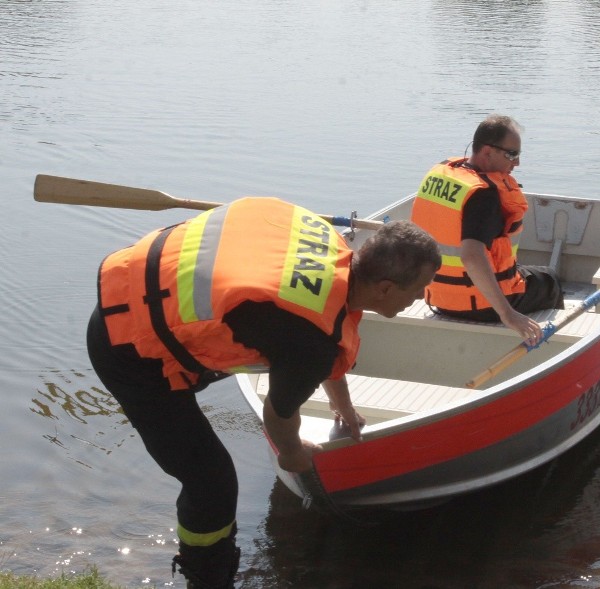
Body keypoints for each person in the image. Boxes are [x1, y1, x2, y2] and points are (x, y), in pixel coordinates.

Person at [86, 196, 441, 589]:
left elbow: (323, 331)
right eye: (420, 289)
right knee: (213, 482)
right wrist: (292, 454)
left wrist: (343, 405)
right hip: (131, 351)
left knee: (272, 348)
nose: (421, 298)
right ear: (386, 288)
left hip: (137, 292)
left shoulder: (331, 249)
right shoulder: (311, 344)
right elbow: (280, 413)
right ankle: (207, 577)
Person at [410, 114, 563, 346]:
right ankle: (549, 347)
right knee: (550, 279)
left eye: (518, 154)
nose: (517, 163)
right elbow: (471, 256)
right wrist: (507, 314)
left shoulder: (443, 175)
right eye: (512, 154)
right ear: (487, 152)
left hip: (439, 298)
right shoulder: (484, 194)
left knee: (520, 269)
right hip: (481, 306)